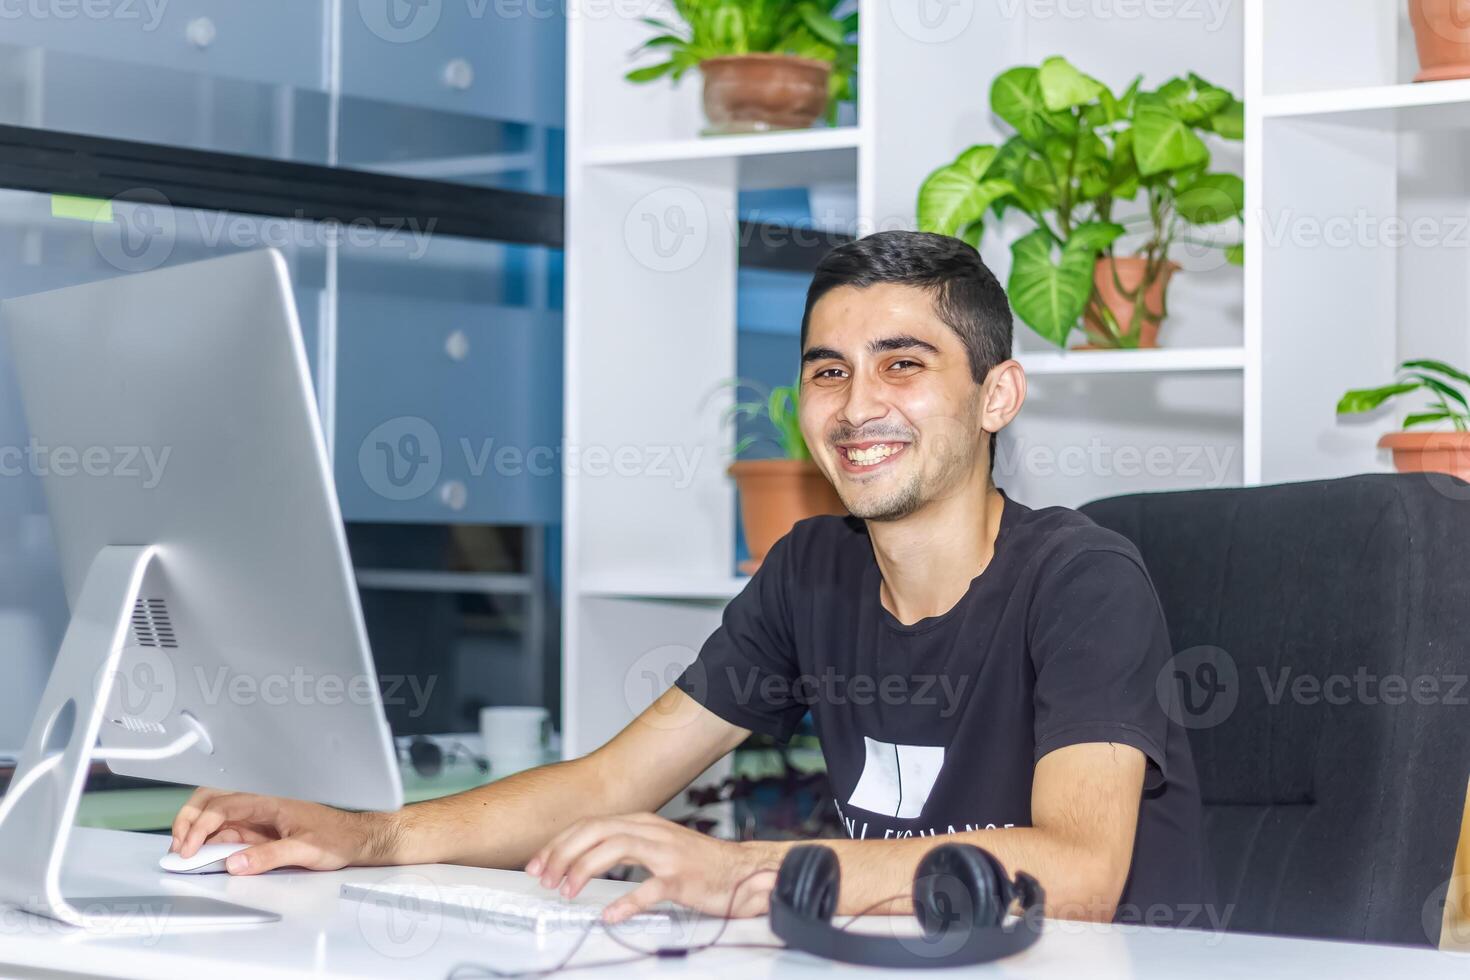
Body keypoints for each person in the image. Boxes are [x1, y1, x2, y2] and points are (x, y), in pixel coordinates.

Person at [170, 230, 1206, 926]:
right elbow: (609, 782)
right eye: (827, 369)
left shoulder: (1083, 579)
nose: (856, 405)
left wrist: (750, 870)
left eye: (904, 363)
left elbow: (1078, 868)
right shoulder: (812, 569)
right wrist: (369, 831)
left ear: (996, 396)